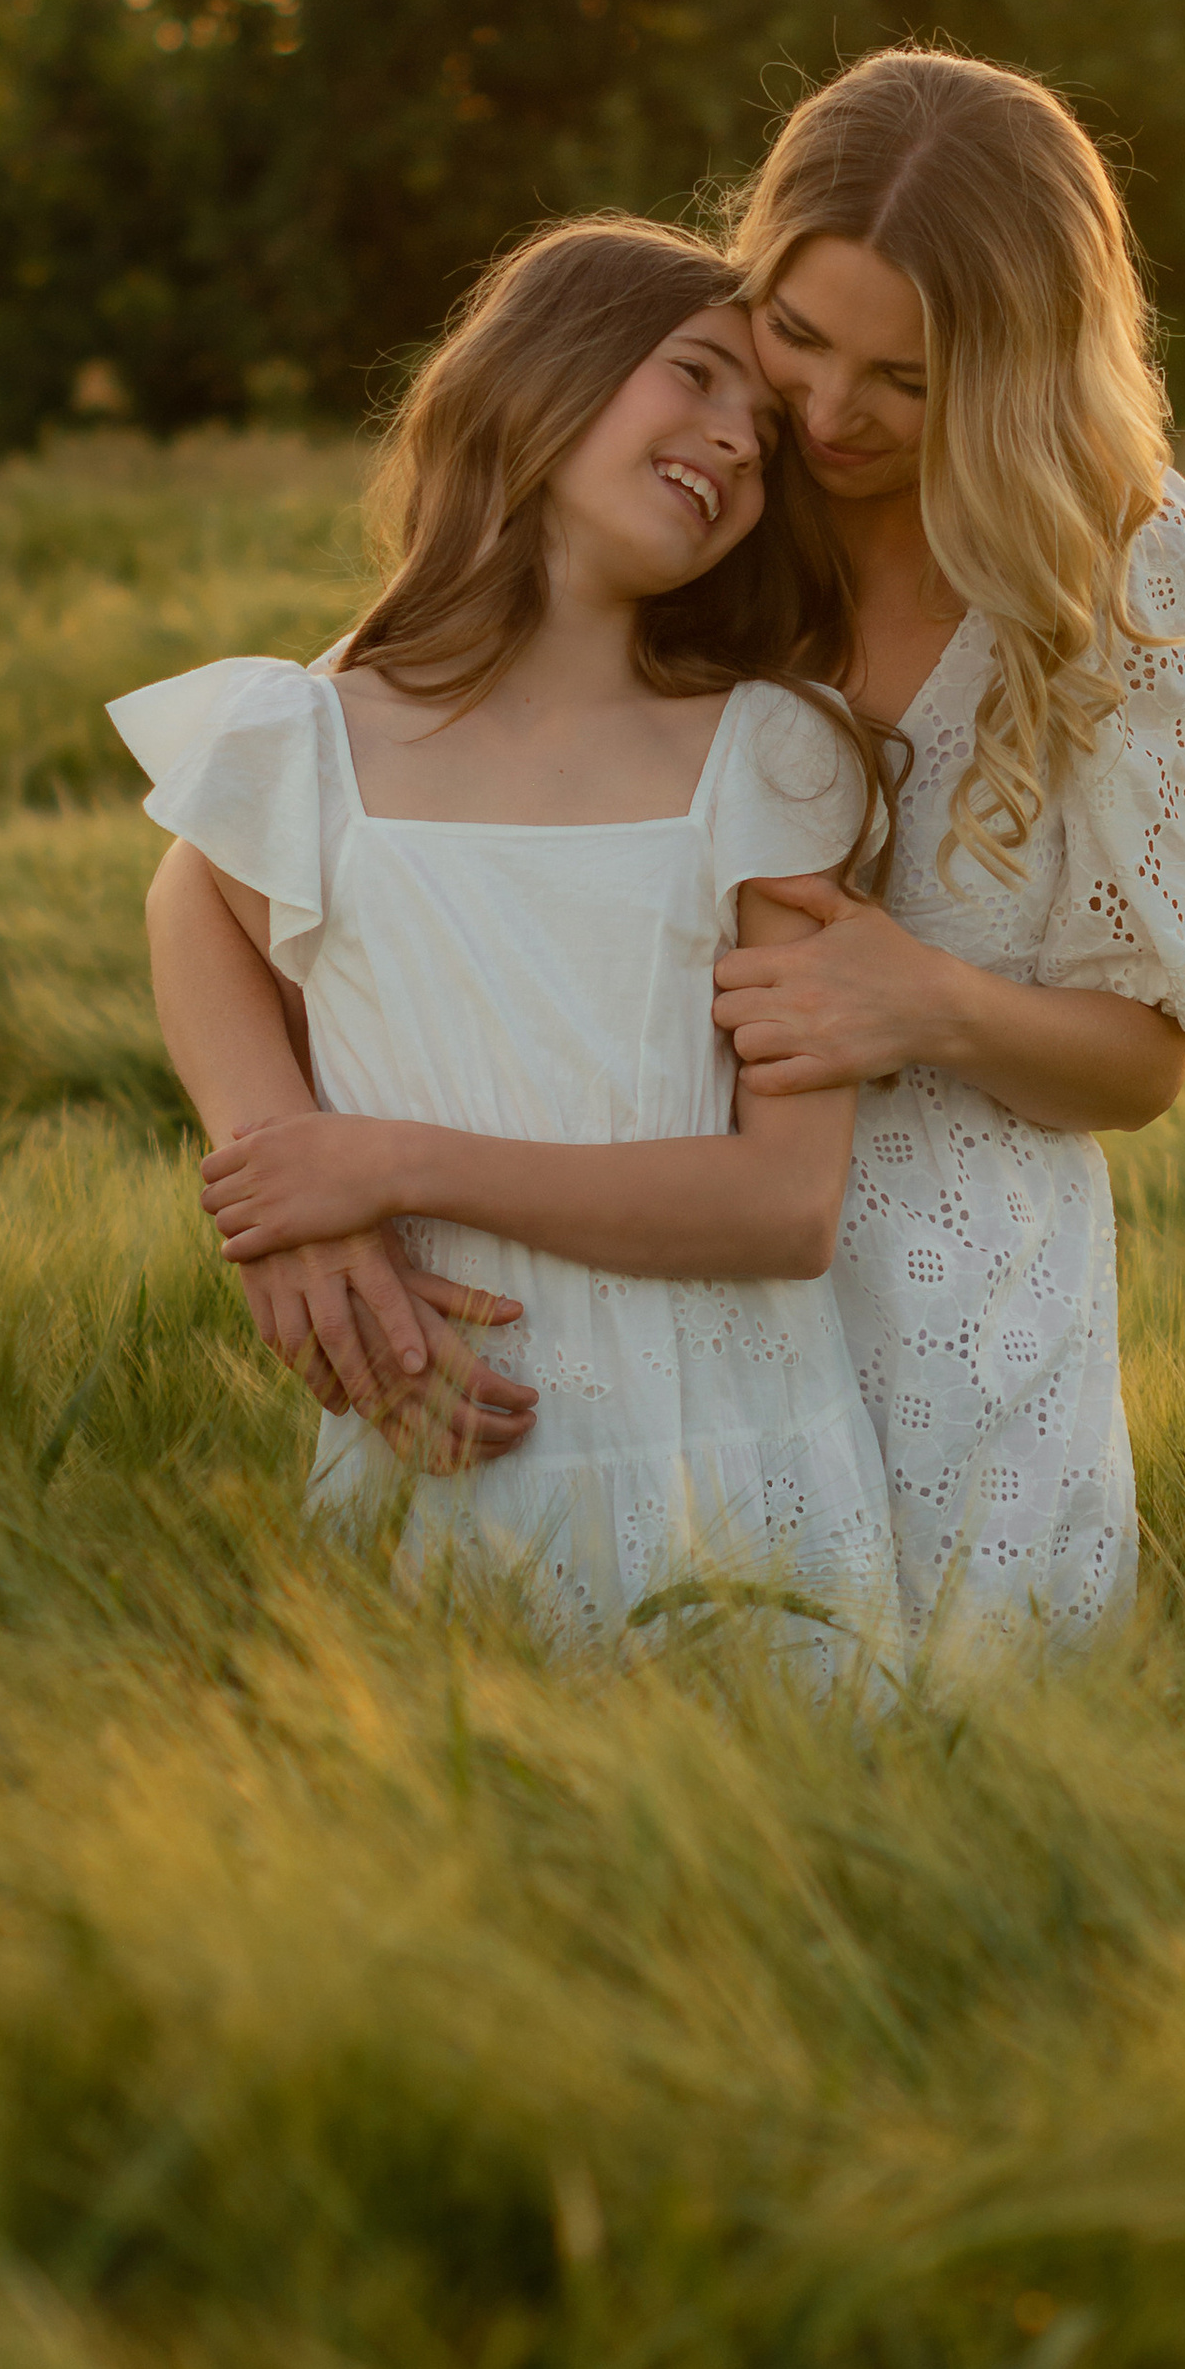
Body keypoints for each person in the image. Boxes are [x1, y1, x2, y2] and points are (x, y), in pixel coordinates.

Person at [165, 48, 1185, 1648]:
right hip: (623, 1308)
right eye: (801, 337)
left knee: (947, 1754)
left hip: (960, 1327)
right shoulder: (687, 485)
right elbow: (242, 837)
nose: (828, 415)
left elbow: (1146, 1064)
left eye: (909, 380)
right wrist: (294, 1185)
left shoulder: (1106, 555)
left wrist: (935, 1008)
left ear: (1017, 367)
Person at [116, 217, 902, 1679]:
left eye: (766, 437)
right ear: (543, 371)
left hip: (723, 1465)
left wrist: (390, 1166)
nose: (741, 440)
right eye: (696, 375)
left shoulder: (768, 754)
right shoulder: (307, 737)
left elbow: (787, 1204)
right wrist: (289, 1194)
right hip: (427, 1441)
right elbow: (191, 898)